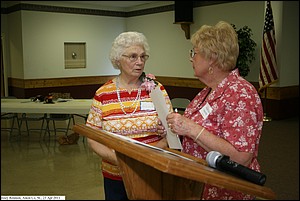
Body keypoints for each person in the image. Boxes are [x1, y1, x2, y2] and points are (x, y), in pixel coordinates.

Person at [166, 21, 264, 200]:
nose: (191, 58)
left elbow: (241, 158)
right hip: (198, 184)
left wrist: (190, 128)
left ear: (212, 58)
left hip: (225, 190)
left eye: (194, 53)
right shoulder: (207, 90)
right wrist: (176, 126)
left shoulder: (241, 93)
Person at [86, 31, 172, 200]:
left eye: (143, 56)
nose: (139, 62)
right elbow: (92, 137)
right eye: (132, 57)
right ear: (118, 59)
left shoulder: (155, 88)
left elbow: (172, 130)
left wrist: (152, 154)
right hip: (115, 175)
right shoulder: (103, 93)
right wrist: (120, 161)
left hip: (152, 172)